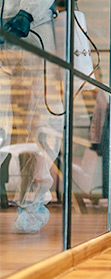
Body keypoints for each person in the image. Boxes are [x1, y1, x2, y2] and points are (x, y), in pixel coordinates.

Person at [0, 0, 63, 233]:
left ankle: (32, 205)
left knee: (40, 121)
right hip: (12, 26)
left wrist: (28, 11)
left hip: (35, 30)